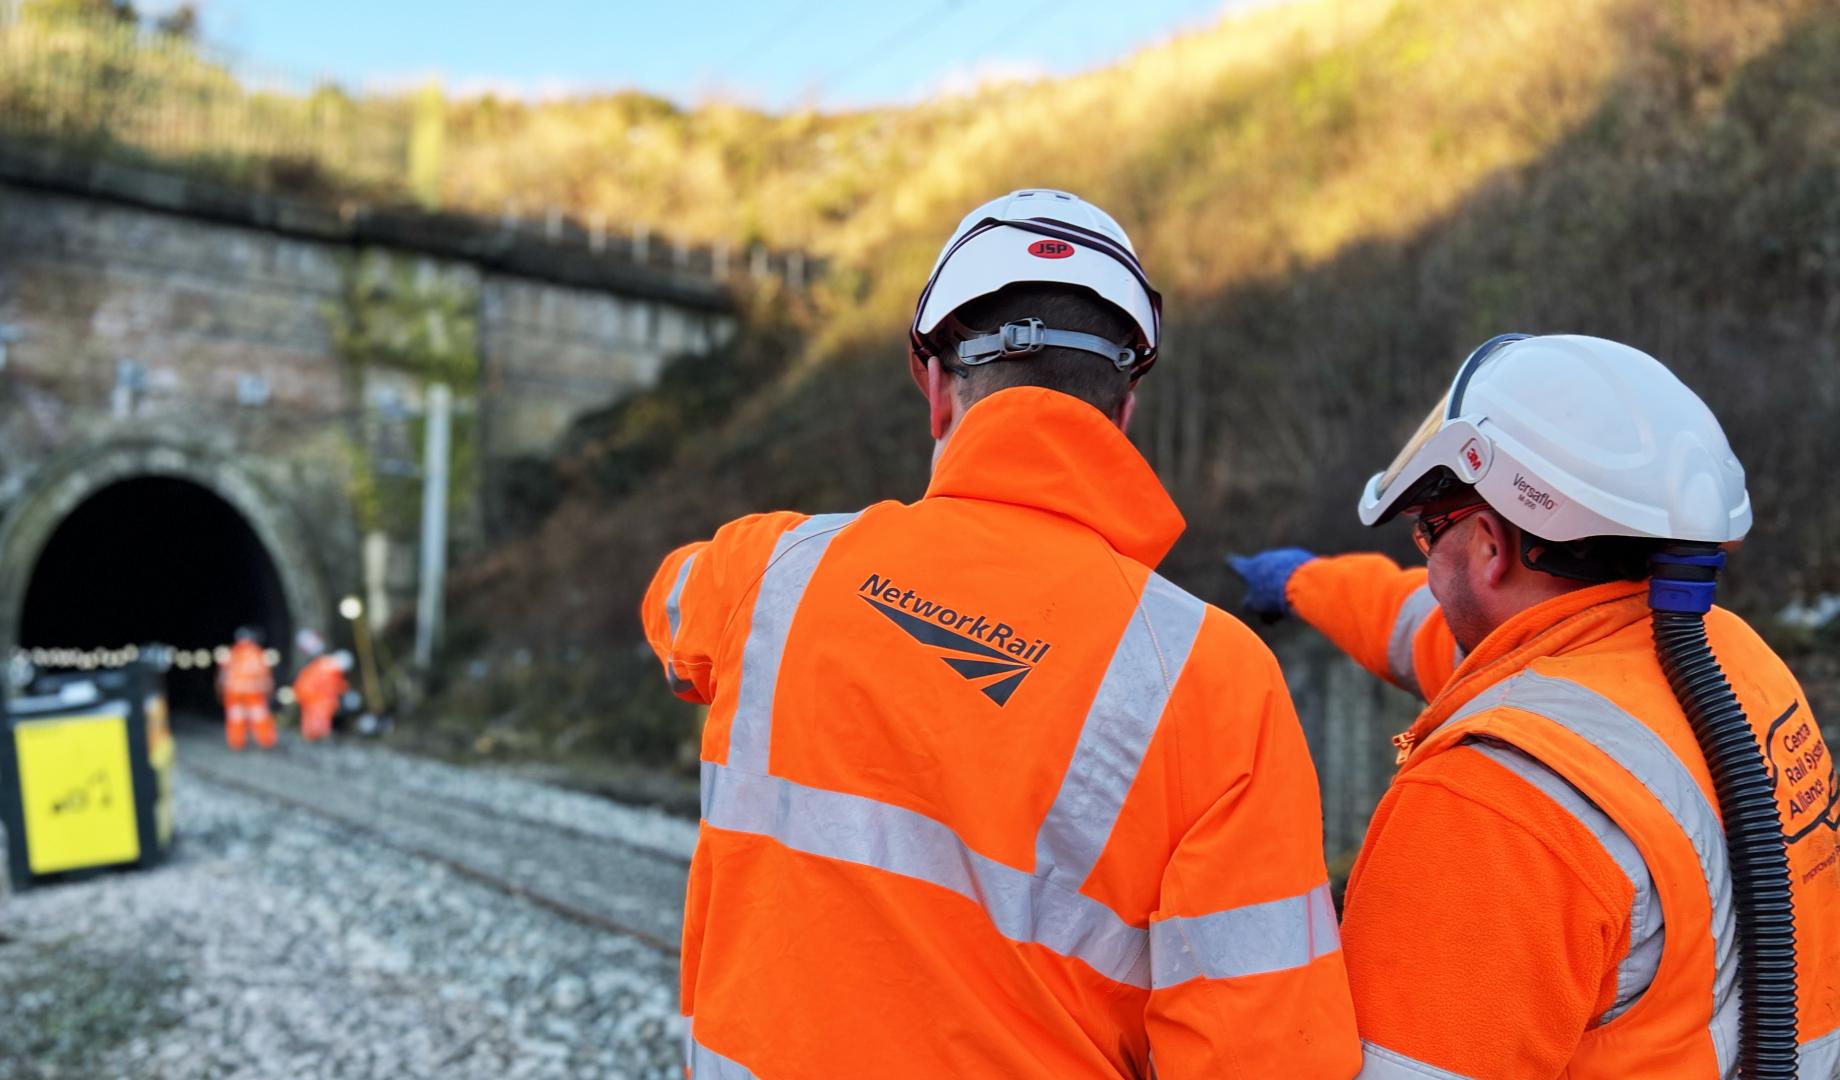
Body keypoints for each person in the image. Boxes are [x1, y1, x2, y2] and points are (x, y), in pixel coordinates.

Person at [641, 189, 1357, 1077]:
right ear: (1125, 409)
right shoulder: (1215, 678)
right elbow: (1267, 1054)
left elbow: (673, 603)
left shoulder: (773, 570)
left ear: (935, 386)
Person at [1230, 334, 1840, 1076]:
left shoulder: (1493, 802)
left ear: (1490, 547)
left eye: (1428, 534)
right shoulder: (1732, 661)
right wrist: (1307, 584)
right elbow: (1434, 633)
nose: (1425, 568)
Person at [217, 627, 275, 751]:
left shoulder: (231, 653)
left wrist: (221, 691)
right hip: (255, 693)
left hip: (233, 693)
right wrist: (269, 691)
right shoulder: (258, 653)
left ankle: (236, 742)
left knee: (236, 718)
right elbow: (265, 675)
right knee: (259, 718)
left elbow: (222, 675)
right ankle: (265, 741)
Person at [291, 649, 351, 742]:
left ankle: (312, 734)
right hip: (311, 694)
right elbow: (329, 688)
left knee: (313, 713)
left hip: (307, 692)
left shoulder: (325, 666)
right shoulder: (328, 669)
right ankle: (317, 734)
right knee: (319, 712)